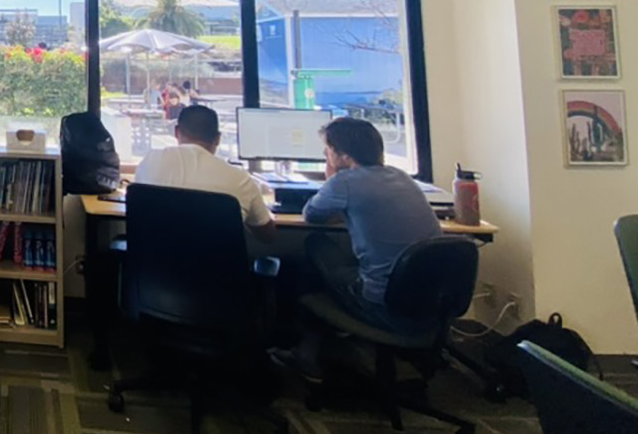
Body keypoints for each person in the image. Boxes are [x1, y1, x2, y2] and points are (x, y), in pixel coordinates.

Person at [272, 117, 441, 381]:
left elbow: (311, 215)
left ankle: (305, 354)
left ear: (344, 156)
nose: (325, 155)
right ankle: (338, 345)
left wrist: (331, 178)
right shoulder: (402, 177)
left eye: (328, 150)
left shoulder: (345, 183)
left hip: (383, 308)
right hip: (429, 311)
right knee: (344, 262)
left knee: (313, 248)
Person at [135, 104, 275, 244]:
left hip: (153, 258)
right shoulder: (240, 180)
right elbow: (268, 236)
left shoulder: (150, 161)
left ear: (176, 132)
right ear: (218, 139)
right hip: (217, 258)